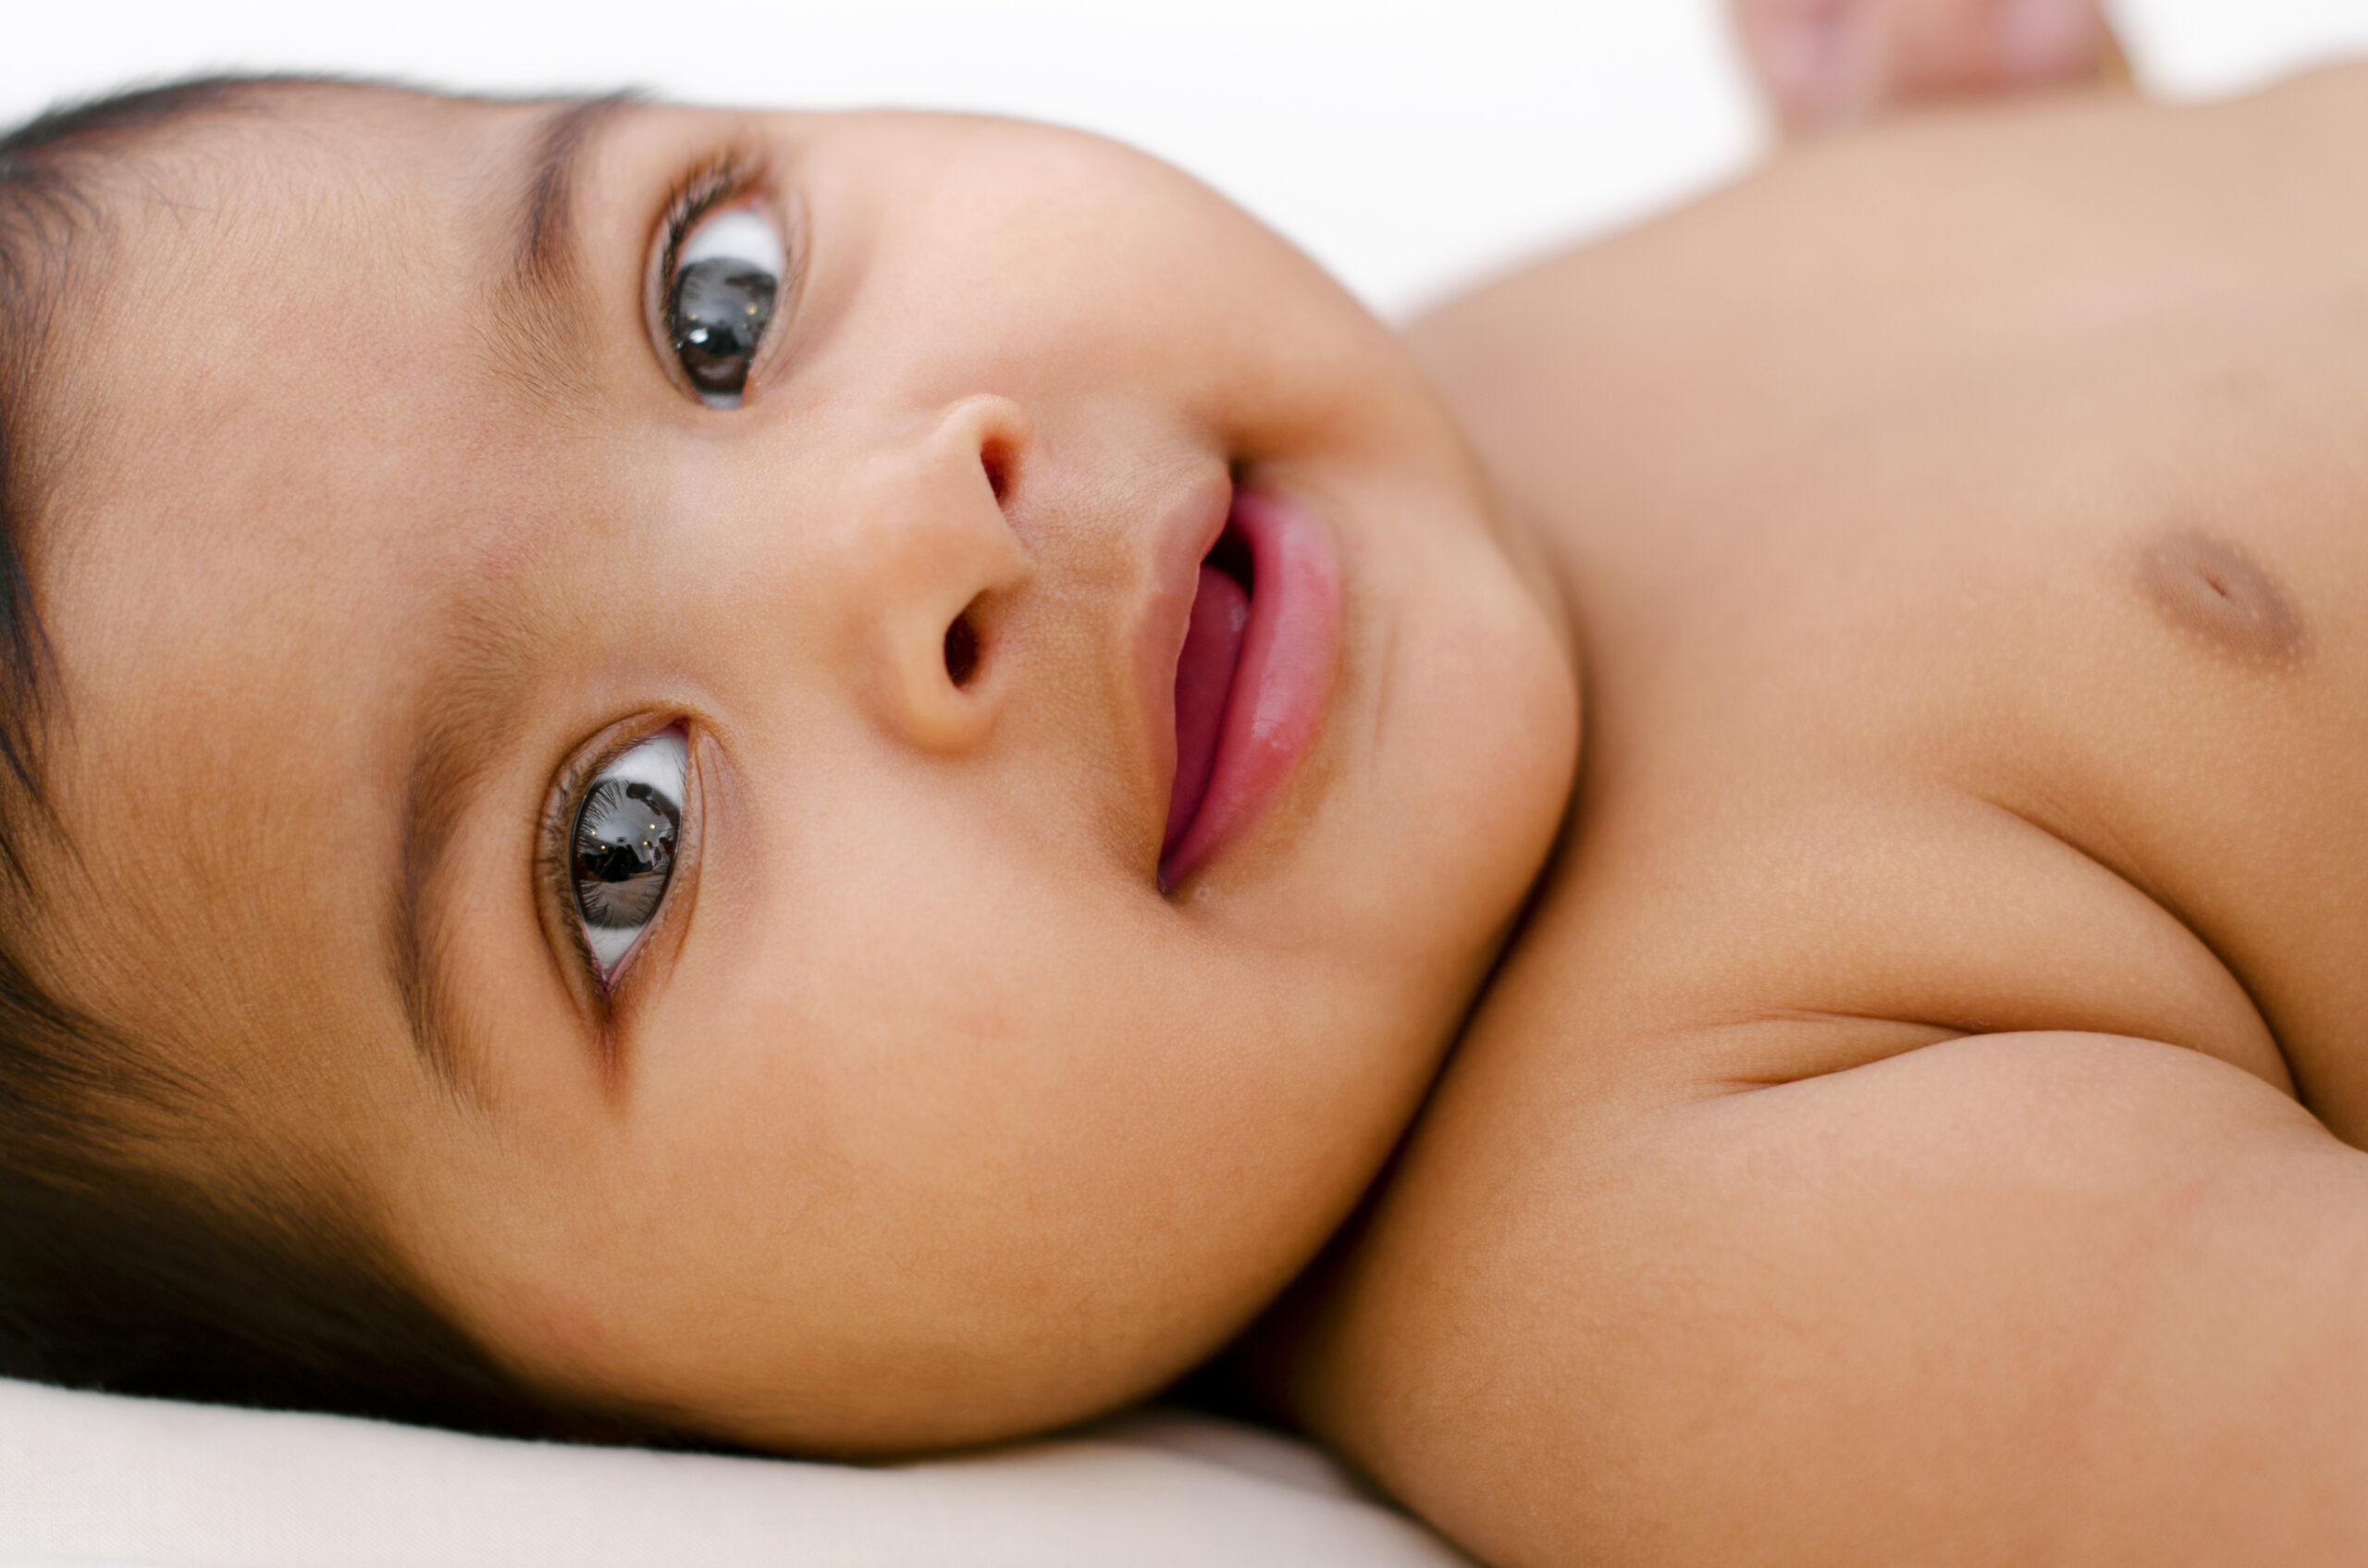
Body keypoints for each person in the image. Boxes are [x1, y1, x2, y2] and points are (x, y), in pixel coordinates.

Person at [21, 2, 2362, 1562]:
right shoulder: (1685, 1244)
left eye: (710, 302)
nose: (911, 525)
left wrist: (2003, 140)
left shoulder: (1412, 387)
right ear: (591, 1415)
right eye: (618, 843)